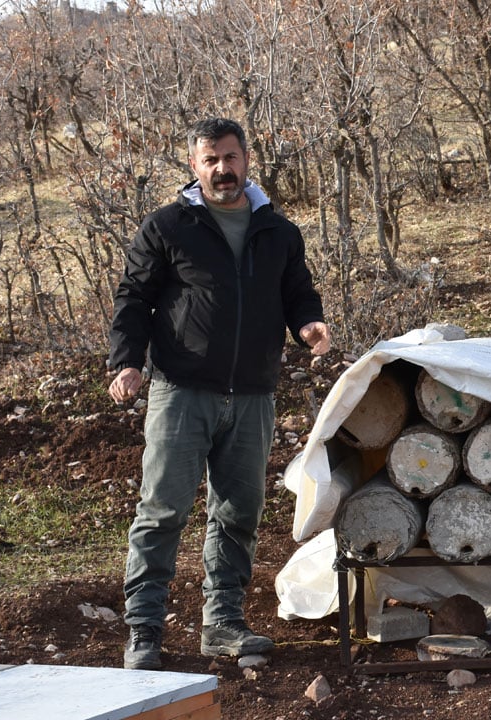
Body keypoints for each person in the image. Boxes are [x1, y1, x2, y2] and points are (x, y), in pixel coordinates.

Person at [108, 117, 331, 670]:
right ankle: (144, 631)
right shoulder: (168, 226)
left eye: (230, 158)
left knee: (238, 512)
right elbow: (134, 297)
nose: (222, 169)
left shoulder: (278, 230)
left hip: (253, 394)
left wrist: (309, 325)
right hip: (182, 391)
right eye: (210, 160)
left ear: (246, 159)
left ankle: (224, 624)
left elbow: (297, 292)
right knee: (162, 510)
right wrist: (127, 362)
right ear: (194, 165)